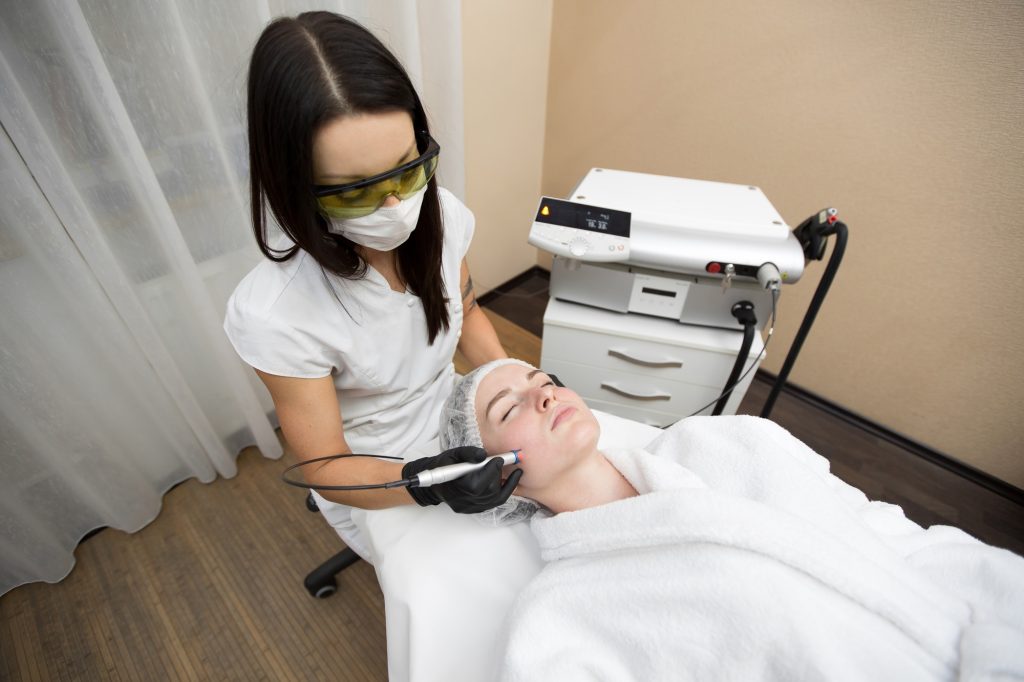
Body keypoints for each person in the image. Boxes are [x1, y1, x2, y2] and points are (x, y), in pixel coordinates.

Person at [439, 359, 1024, 680]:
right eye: (509, 406)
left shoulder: (728, 440)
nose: (544, 393)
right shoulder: (556, 617)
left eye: (543, 380)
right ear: (491, 476)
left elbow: (882, 526)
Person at [223, 12, 520, 560]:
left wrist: (512, 383)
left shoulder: (443, 217)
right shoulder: (273, 314)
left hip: (455, 409)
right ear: (293, 185)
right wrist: (422, 482)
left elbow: (469, 313)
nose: (394, 205)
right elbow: (325, 466)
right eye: (354, 191)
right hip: (375, 472)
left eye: (407, 170)